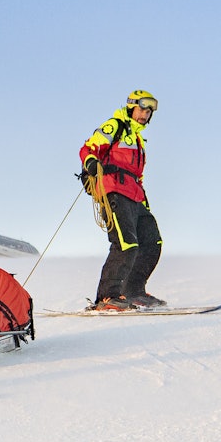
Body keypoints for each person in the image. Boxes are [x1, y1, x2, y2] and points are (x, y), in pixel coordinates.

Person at [78, 90, 166, 311]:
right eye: (142, 109)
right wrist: (90, 163)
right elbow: (89, 148)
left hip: (136, 196)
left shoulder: (137, 139)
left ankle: (134, 291)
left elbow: (138, 174)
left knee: (152, 243)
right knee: (125, 244)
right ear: (131, 107)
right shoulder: (115, 125)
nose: (145, 114)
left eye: (149, 111)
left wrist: (144, 203)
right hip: (114, 190)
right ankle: (107, 297)